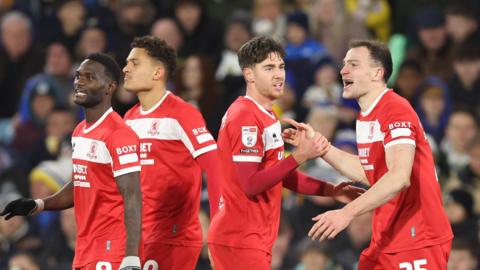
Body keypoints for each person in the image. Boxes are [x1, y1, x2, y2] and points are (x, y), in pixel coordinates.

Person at [207, 36, 364, 270]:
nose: (279, 74)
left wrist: (330, 190)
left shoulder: (267, 115)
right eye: (268, 68)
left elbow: (281, 176)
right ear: (249, 74)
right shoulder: (245, 116)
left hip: (252, 237)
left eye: (281, 67)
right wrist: (300, 156)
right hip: (239, 238)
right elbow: (250, 184)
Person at [301, 40, 453, 269]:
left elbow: (399, 176)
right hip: (388, 236)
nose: (343, 70)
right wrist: (322, 148)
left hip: (417, 236)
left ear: (377, 73)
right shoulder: (365, 117)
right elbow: (371, 172)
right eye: (343, 64)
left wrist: (347, 213)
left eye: (353, 64)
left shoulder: (394, 109)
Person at [1, 53, 142, 270]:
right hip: (85, 247)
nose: (79, 82)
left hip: (112, 249)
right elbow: (81, 182)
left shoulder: (119, 134)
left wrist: (131, 257)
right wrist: (40, 204)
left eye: (89, 77)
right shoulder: (79, 132)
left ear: (110, 87)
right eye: (77, 76)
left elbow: (132, 196)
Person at [122, 36, 223, 270]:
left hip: (173, 237)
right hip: (139, 236)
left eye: (135, 63)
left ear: (157, 73)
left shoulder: (182, 114)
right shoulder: (130, 118)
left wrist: (218, 227)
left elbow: (217, 169)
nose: (126, 68)